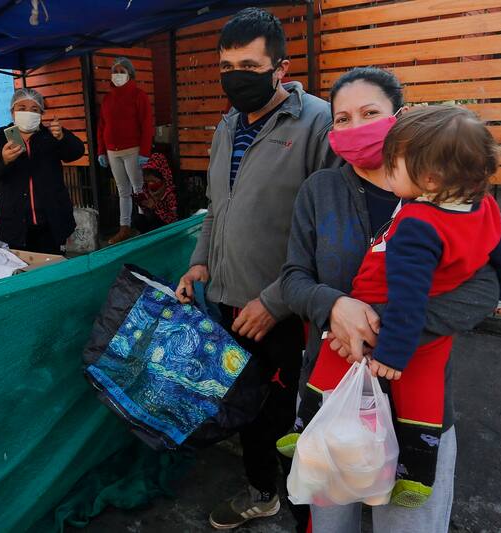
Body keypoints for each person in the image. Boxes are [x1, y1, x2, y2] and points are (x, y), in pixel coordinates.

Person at [280, 68, 501, 533]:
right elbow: (292, 280)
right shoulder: (320, 191)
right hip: (334, 398)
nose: (355, 126)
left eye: (369, 113)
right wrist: (334, 306)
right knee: (330, 521)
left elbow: (482, 289)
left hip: (417, 401)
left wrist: (379, 327)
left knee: (409, 521)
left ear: (398, 118)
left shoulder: (449, 194)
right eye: (341, 118)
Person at [174, 8, 337, 531]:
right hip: (226, 298)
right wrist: (200, 263)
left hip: (287, 308)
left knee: (290, 416)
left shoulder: (319, 124)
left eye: (248, 63)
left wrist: (276, 301)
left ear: (280, 68)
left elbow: (328, 233)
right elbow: (217, 208)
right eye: (226, 65)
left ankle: (310, 514)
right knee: (246, 406)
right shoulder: (226, 126)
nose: (234, 75)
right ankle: (262, 492)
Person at [0, 88, 85, 254]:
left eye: (34, 109)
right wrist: (3, 159)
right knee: (23, 270)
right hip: (16, 224)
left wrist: (63, 138)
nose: (28, 112)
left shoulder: (50, 136)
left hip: (52, 221)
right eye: (22, 108)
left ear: (41, 113)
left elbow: (77, 152)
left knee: (53, 268)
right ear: (13, 112)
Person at [96, 57, 154, 244]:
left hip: (133, 150)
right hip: (113, 151)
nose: (118, 75)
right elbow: (101, 126)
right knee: (123, 190)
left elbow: (147, 124)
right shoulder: (107, 98)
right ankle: (125, 228)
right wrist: (101, 151)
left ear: (130, 74)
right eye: (115, 71)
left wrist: (144, 151)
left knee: (139, 189)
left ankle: (143, 226)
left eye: (122, 71)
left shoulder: (139, 95)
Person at [131, 152, 177, 233]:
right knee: (137, 219)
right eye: (148, 181)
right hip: (153, 221)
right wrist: (144, 204)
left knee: (154, 225)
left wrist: (156, 206)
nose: (151, 184)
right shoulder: (147, 190)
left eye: (153, 181)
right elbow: (148, 214)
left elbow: (173, 220)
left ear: (163, 178)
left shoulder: (170, 194)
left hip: (166, 226)